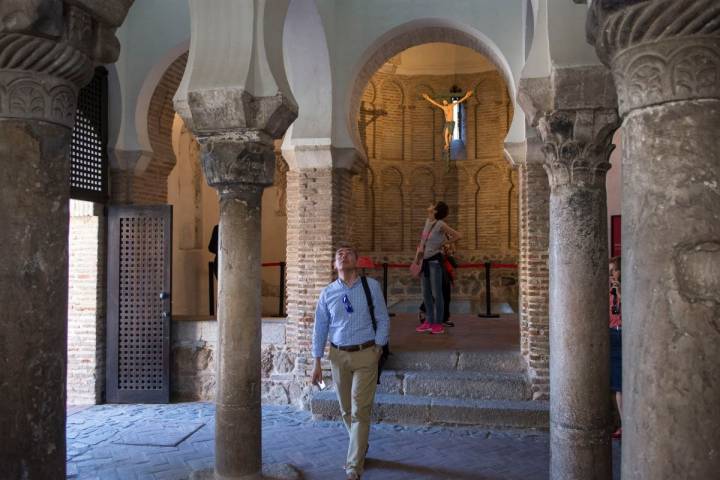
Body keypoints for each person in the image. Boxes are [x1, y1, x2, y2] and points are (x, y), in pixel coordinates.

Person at [311, 245, 390, 480]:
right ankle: (360, 444)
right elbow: (320, 328)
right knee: (346, 409)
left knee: (359, 409)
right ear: (335, 265)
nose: (342, 256)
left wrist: (377, 347)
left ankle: (354, 464)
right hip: (338, 357)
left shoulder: (371, 287)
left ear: (356, 261)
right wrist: (317, 362)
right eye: (338, 255)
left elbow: (383, 318)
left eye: (347, 253)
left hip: (366, 354)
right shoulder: (328, 293)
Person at [415, 202, 461, 335]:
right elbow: (424, 241)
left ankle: (438, 323)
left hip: (435, 262)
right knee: (426, 294)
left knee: (437, 294)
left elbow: (458, 235)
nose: (430, 205)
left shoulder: (440, 224)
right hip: (424, 262)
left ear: (435, 210)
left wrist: (443, 243)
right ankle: (429, 321)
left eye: (433, 205)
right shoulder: (427, 222)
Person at [418, 236, 457, 328]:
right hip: (434, 267)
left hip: (444, 268)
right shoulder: (429, 237)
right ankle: (423, 310)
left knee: (446, 295)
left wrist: (448, 250)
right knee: (434, 293)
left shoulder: (446, 236)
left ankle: (445, 318)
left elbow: (451, 251)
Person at [609, 256, 622, 439]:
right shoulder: (609, 291)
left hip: (624, 333)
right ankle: (621, 423)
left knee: (622, 385)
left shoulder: (628, 289)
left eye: (614, 270)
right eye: (609, 271)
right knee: (616, 385)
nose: (611, 275)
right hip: (612, 334)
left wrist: (620, 293)